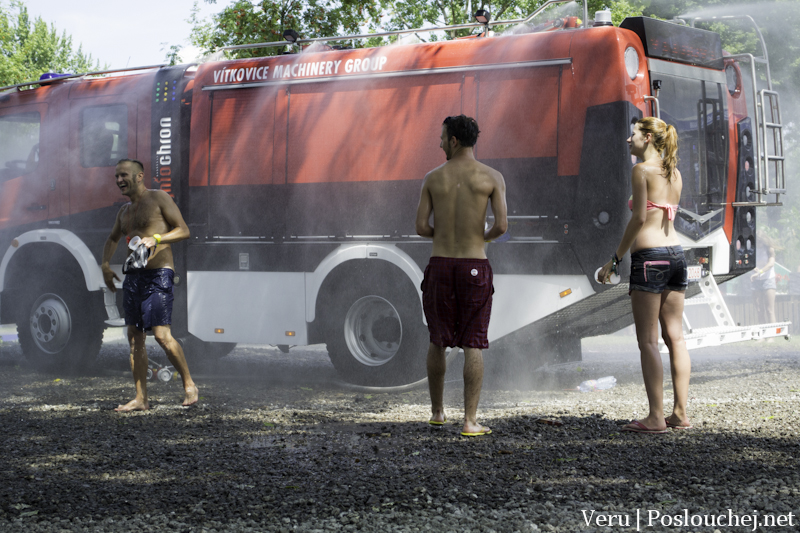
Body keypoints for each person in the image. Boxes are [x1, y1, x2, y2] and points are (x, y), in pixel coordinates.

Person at [415, 115, 508, 437]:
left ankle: (438, 413)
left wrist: (446, 233)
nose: (439, 143)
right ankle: (470, 421)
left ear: (454, 140)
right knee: (472, 344)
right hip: (474, 265)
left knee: (437, 340)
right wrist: (478, 237)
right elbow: (501, 226)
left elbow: (421, 227)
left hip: (440, 263)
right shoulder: (492, 177)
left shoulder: (432, 178)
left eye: (442, 137)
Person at [597, 117, 691, 434]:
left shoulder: (641, 170)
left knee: (648, 341)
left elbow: (638, 219)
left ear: (647, 137)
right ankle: (679, 413)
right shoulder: (674, 173)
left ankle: (655, 417)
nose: (628, 140)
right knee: (675, 338)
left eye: (633, 134)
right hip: (677, 256)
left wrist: (614, 259)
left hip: (650, 259)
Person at [101, 159, 198, 411]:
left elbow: (184, 230)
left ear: (140, 176)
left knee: (162, 335)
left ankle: (189, 384)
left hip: (159, 274)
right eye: (116, 176)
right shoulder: (123, 212)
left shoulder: (158, 198)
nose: (119, 180)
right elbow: (112, 238)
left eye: (124, 175)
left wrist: (156, 238)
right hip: (134, 277)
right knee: (134, 338)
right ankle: (141, 398)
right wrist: (105, 265)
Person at [750, 232, 777, 328]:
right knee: (759, 309)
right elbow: (748, 261)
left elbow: (771, 264)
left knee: (769, 310)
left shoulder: (769, 249)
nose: (757, 243)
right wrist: (753, 268)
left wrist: (760, 272)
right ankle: (762, 335)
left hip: (768, 280)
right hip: (756, 281)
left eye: (759, 241)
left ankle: (771, 336)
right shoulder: (751, 249)